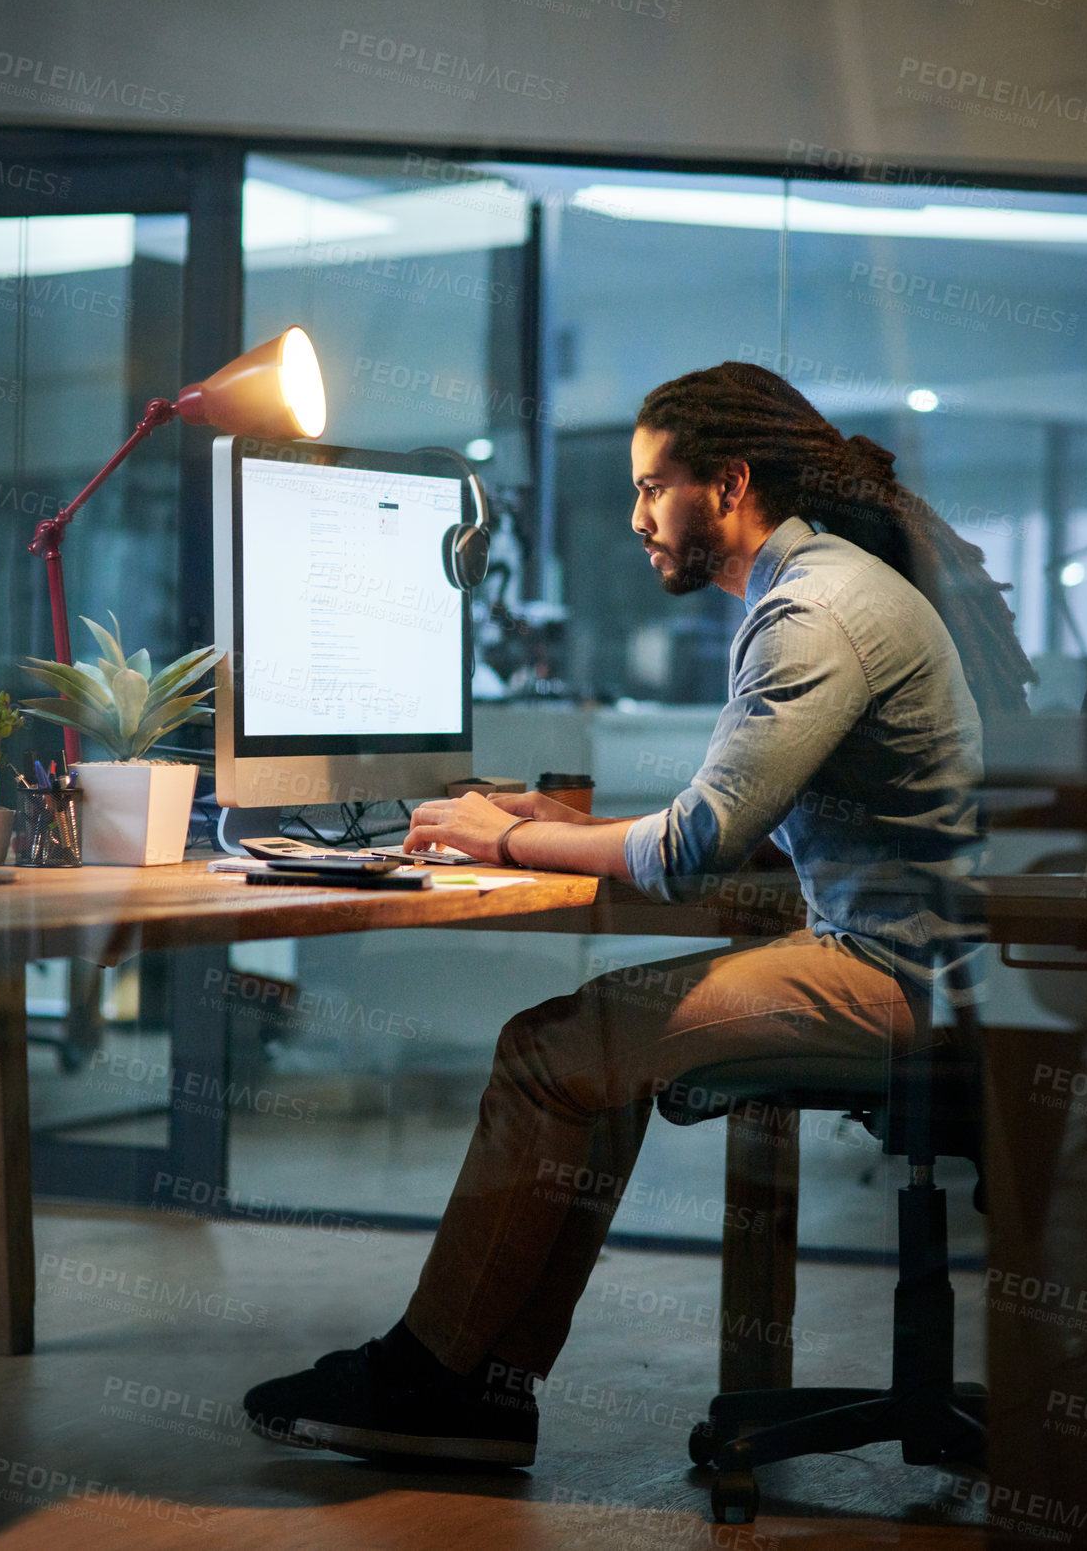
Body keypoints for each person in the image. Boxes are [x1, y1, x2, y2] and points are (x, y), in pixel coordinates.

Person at [243, 360, 1034, 1467]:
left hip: (900, 975)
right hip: (932, 964)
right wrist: (539, 815)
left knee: (548, 1052)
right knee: (580, 1061)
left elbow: (690, 847)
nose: (636, 517)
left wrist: (498, 835)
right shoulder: (824, 588)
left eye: (653, 487)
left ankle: (440, 1379)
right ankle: (481, 1390)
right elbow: (736, 816)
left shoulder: (812, 610)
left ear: (729, 484)